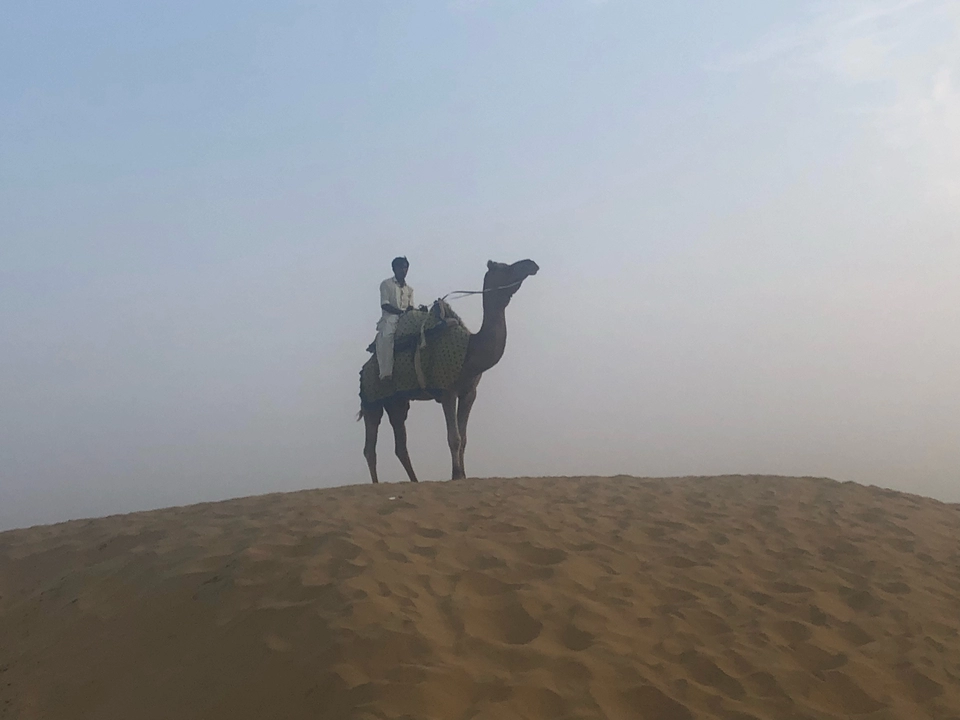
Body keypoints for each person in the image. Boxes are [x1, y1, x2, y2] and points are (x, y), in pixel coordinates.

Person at [376, 256, 414, 380]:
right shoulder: (386, 284)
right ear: (394, 269)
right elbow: (385, 304)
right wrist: (400, 312)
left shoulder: (409, 290)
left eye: (405, 267)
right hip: (390, 318)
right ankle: (386, 373)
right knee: (386, 338)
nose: (403, 270)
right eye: (400, 267)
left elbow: (410, 307)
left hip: (406, 319)